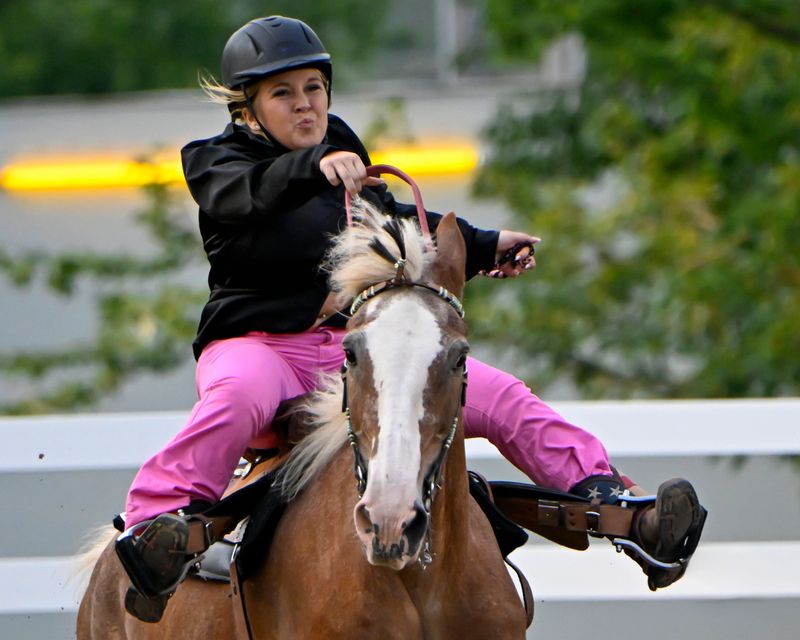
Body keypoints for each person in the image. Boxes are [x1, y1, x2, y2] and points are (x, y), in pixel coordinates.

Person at [117, 15, 706, 620]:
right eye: (283, 93)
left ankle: (619, 507)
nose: (305, 105)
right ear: (248, 108)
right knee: (237, 398)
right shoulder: (215, 161)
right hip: (258, 348)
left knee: (501, 397)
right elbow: (242, 197)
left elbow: (394, 219)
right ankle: (155, 527)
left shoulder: (341, 152)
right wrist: (312, 168)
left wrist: (481, 244)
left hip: (348, 350)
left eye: (314, 89)